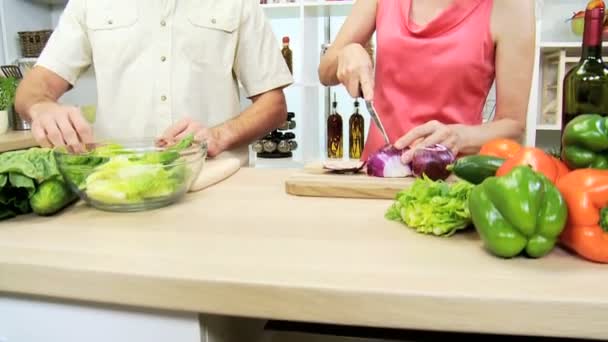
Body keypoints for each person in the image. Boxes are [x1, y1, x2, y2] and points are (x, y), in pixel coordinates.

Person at [15, 0, 293, 165]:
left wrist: (218, 135)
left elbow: (273, 105)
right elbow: (33, 89)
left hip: (216, 183)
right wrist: (41, 107)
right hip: (118, 186)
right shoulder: (90, 3)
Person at [318, 0, 535, 163]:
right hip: (377, 175)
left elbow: (513, 126)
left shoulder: (511, 6)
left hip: (450, 183)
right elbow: (325, 71)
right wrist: (347, 52)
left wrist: (460, 137)